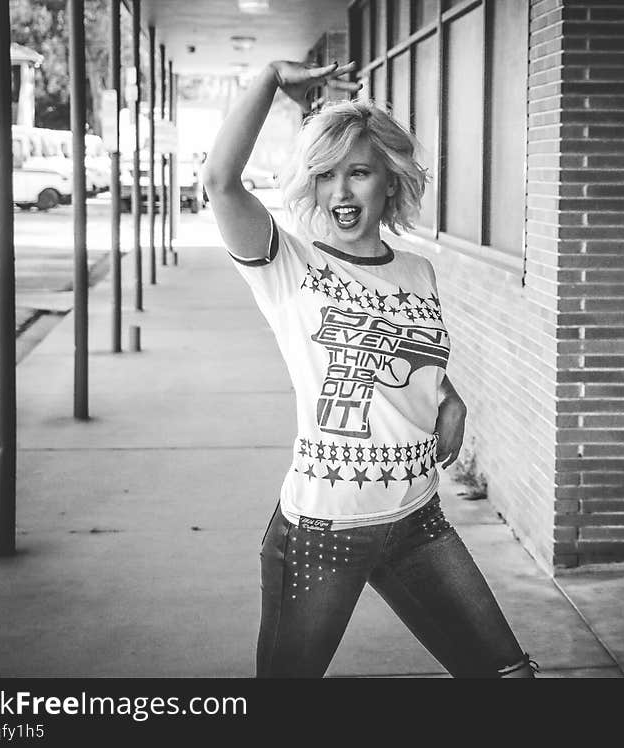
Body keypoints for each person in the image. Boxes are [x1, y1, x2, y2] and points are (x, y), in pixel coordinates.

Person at [202, 59, 537, 679]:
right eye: (325, 175)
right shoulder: (287, 267)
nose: (340, 193)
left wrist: (451, 396)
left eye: (357, 173)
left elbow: (405, 352)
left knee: (509, 677)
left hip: (417, 518)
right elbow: (221, 183)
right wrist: (271, 80)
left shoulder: (417, 271)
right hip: (325, 530)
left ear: (390, 179)